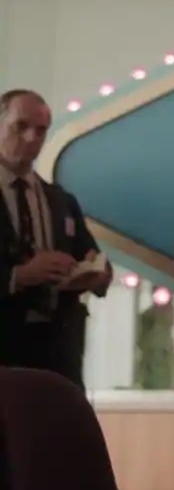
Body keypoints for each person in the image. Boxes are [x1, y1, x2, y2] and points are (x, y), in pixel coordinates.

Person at [0, 88, 112, 388]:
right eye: (20, 126)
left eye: (41, 130)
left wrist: (92, 272)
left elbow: (93, 257)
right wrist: (19, 276)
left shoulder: (60, 200)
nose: (31, 138)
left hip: (58, 354)